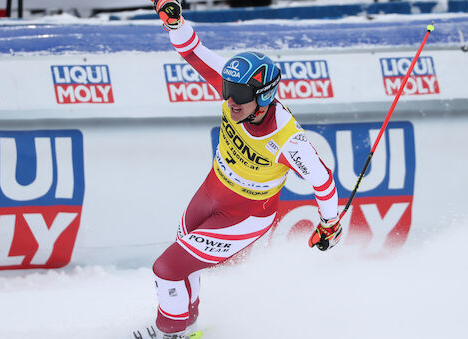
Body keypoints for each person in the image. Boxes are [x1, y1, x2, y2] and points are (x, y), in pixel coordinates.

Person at [131, 1, 342, 338]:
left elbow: (323, 180)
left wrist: (330, 225)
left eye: (240, 93)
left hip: (245, 215)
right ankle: (188, 326)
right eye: (228, 89)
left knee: (166, 268)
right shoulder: (235, 95)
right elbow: (192, 49)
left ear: (265, 95)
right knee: (183, 262)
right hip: (211, 191)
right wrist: (174, 21)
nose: (230, 100)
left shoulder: (287, 139)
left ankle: (169, 332)